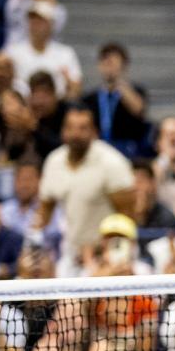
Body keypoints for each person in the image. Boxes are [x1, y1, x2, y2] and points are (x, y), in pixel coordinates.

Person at [35, 105, 136, 276]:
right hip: (70, 254)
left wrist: (102, 250)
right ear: (62, 131)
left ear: (94, 131)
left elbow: (128, 217)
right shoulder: (53, 162)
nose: (75, 134)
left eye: (83, 128)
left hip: (107, 256)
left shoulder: (112, 163)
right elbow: (44, 211)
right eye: (70, 127)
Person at [82, 43, 149, 158]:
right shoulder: (90, 98)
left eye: (113, 62)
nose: (109, 66)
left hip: (126, 147)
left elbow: (138, 109)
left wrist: (119, 83)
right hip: (99, 146)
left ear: (124, 65)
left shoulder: (136, 91)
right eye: (105, 62)